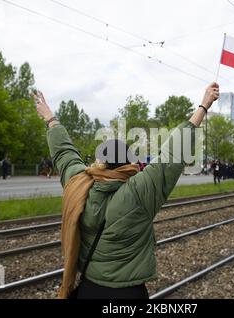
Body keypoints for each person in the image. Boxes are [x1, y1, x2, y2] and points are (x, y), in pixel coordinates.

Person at [33, 83, 220, 299]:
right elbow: (172, 154)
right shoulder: (140, 192)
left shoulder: (79, 184)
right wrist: (204, 106)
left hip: (89, 289)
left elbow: (64, 154)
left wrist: (51, 119)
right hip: (129, 294)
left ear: (99, 163)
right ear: (128, 165)